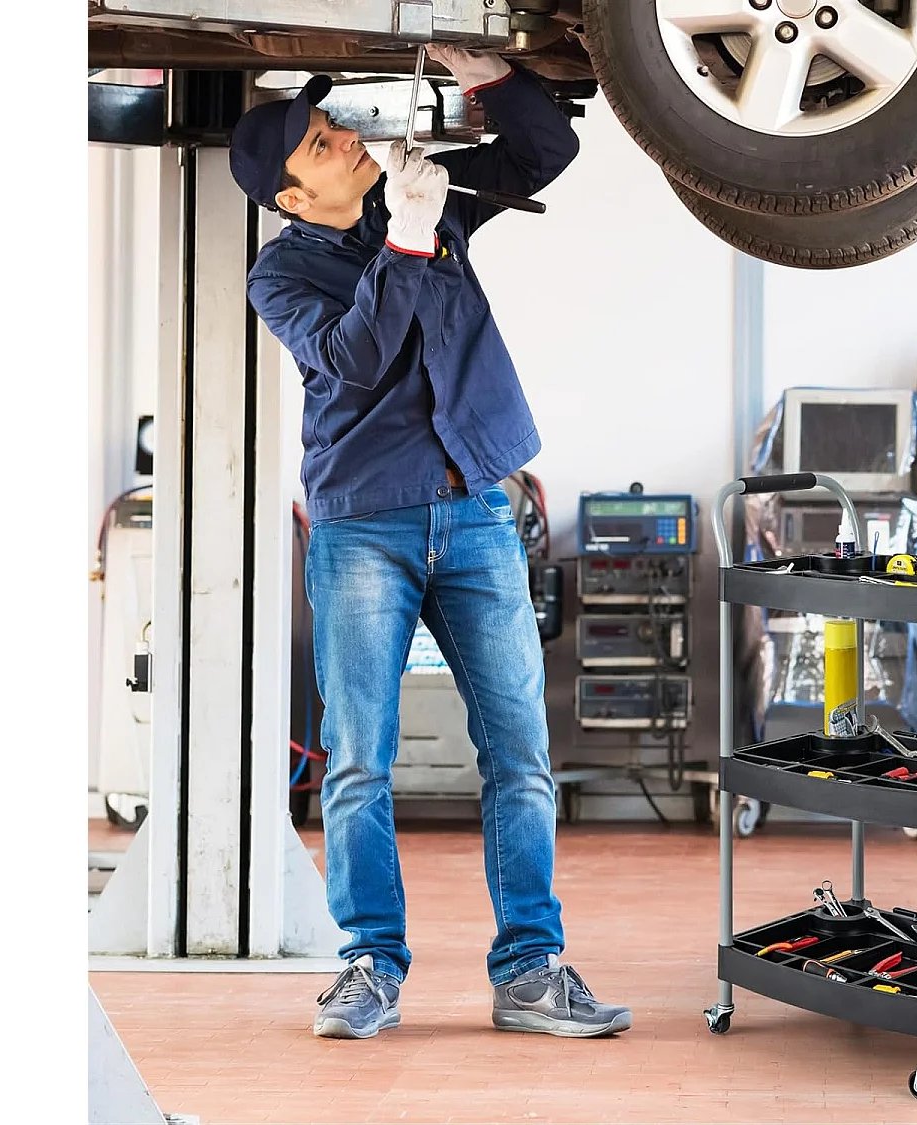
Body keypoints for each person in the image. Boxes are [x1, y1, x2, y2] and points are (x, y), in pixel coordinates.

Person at [229, 45, 631, 1041]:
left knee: (522, 756)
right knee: (361, 759)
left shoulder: (428, 202)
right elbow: (355, 359)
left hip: (479, 509)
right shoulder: (280, 276)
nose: (351, 144)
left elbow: (542, 152)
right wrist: (407, 242)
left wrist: (491, 79)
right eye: (325, 145)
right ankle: (370, 966)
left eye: (340, 128)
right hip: (366, 525)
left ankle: (531, 973)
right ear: (290, 191)